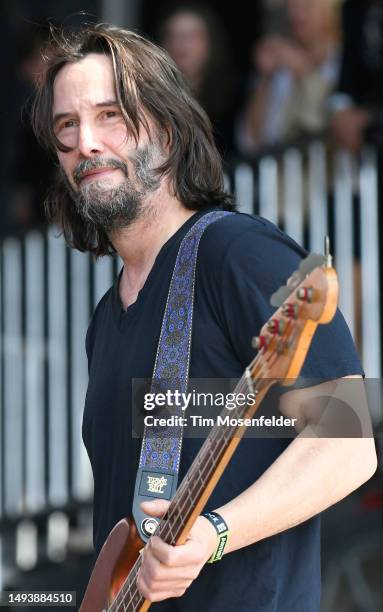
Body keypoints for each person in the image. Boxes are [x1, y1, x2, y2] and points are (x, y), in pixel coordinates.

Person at [31, 24, 376, 611]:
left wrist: (214, 535)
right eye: (67, 126)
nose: (86, 142)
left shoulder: (237, 253)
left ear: (166, 128)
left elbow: (348, 444)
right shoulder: (105, 320)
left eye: (111, 114)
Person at [236, 0, 340, 154]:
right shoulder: (280, 64)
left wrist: (305, 73)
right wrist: (265, 78)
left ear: (329, 10)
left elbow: (325, 125)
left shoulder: (343, 60)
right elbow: (251, 140)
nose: (296, 15)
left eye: (307, 6)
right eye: (291, 7)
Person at [156, 2, 238, 157]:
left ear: (210, 42)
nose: (180, 43)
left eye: (190, 36)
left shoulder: (234, 96)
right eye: (172, 35)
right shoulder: (151, 97)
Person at [330, 0, 383, 152]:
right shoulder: (353, 8)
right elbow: (347, 69)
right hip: (367, 139)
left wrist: (369, 115)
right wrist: (342, 111)